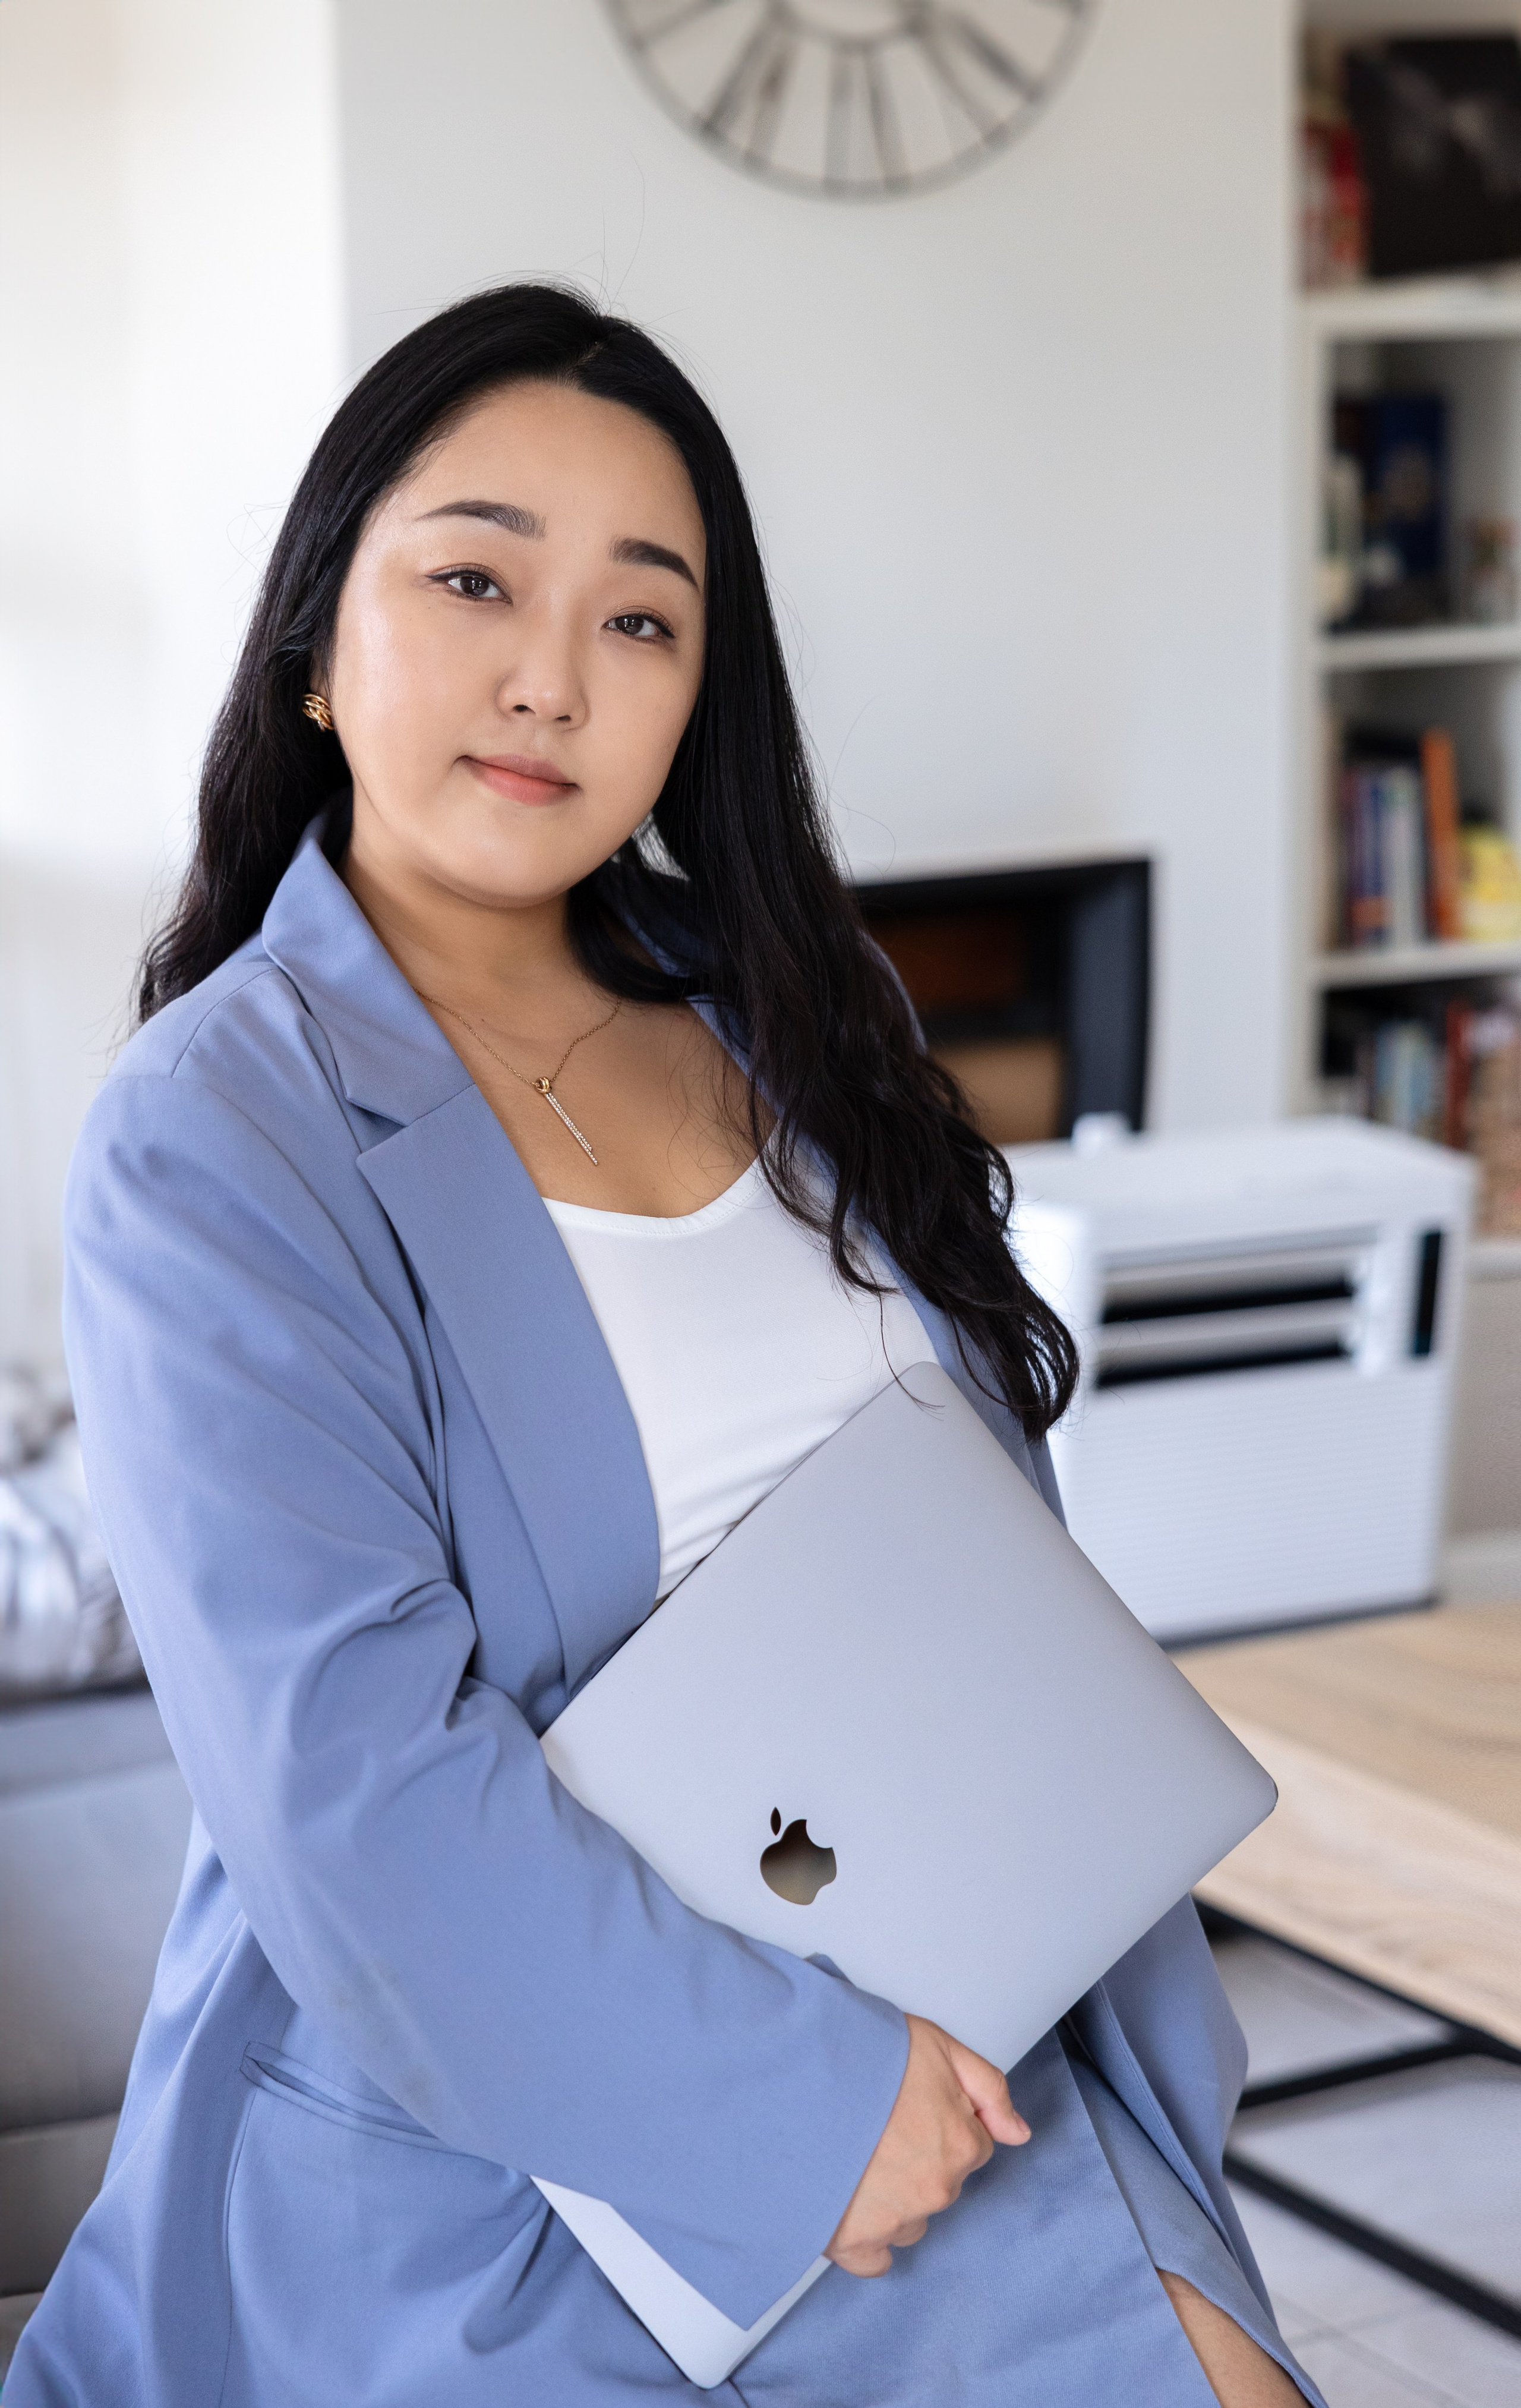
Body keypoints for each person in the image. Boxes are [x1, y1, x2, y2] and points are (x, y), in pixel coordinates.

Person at [7, 286, 1321, 2408]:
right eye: (475, 581)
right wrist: (820, 2111)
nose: (554, 677)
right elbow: (355, 1791)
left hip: (974, 2018)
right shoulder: (217, 1128)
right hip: (521, 2155)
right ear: (314, 642)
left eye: (641, 619)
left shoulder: (791, 1012)